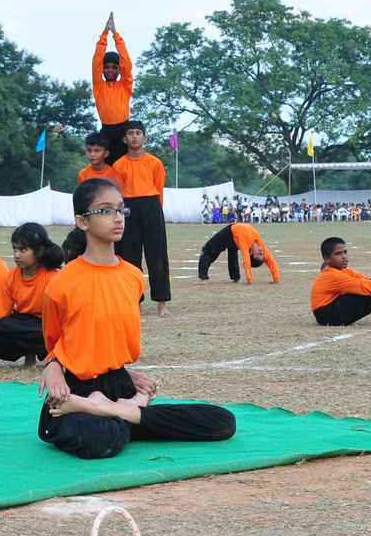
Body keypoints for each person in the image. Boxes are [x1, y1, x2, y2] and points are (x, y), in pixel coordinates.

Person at [37, 178, 236, 459]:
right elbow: (55, 340)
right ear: (82, 221)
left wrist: (124, 382)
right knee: (99, 440)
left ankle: (109, 408)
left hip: (118, 386)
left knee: (223, 421)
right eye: (105, 210)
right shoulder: (62, 284)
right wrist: (53, 366)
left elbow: (109, 340)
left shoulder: (132, 277)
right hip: (75, 390)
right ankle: (129, 411)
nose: (118, 218)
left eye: (121, 209)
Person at [0, 223, 62, 368]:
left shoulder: (53, 277)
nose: (17, 255)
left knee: (42, 331)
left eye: (23, 250)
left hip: (45, 327)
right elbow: (0, 314)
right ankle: (28, 351)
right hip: (20, 323)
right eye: (15, 249)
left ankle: (53, 357)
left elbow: (61, 320)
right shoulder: (12, 277)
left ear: (39, 251)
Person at [113, 120, 171, 316]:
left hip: (151, 205)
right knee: (129, 256)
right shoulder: (119, 165)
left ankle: (162, 303)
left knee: (157, 255)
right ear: (125, 139)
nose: (135, 136)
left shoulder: (155, 162)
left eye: (138, 133)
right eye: (131, 133)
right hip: (128, 207)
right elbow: (118, 193)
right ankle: (134, 301)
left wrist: (157, 212)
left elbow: (159, 189)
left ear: (144, 138)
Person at [92, 13, 133, 165]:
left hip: (124, 130)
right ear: (102, 70)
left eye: (114, 67)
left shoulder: (125, 85)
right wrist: (104, 34)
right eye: (107, 67)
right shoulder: (98, 86)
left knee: (125, 166)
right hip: (106, 131)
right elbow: (96, 62)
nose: (110, 70)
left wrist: (115, 34)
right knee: (105, 167)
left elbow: (127, 64)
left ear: (119, 70)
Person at [198, 222, 281, 284]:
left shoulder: (245, 244)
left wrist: (249, 279)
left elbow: (246, 261)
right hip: (231, 230)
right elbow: (271, 261)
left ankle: (234, 277)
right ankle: (205, 276)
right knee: (212, 250)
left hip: (232, 234)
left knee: (210, 250)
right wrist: (276, 278)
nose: (261, 251)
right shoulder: (261, 246)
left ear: (251, 253)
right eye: (262, 254)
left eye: (259, 254)